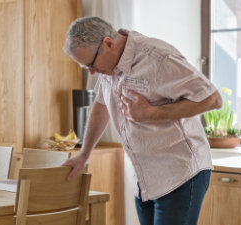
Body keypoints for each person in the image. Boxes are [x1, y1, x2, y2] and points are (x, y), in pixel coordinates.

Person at [62, 16, 222, 225]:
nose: (92, 72)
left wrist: (151, 113)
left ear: (108, 43)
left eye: (91, 65)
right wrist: (84, 154)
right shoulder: (108, 67)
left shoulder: (157, 57)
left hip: (181, 174)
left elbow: (212, 99)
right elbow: (101, 106)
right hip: (146, 180)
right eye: (86, 68)